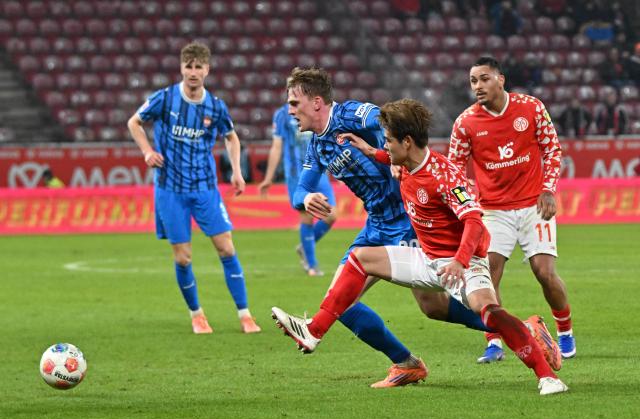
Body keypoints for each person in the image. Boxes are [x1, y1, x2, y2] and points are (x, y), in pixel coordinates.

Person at [272, 98, 567, 395]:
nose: (384, 146)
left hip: (461, 262)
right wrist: (367, 150)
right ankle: (314, 331)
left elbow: (475, 220)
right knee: (361, 259)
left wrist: (460, 261)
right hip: (426, 260)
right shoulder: (405, 164)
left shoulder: (443, 175)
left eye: (388, 141)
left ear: (407, 142)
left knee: (488, 311)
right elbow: (389, 157)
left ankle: (546, 375)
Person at [127, 42, 260, 335]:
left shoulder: (215, 106)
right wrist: (147, 151)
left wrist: (237, 172)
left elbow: (232, 138)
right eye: (189, 66)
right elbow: (134, 122)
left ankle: (245, 314)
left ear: (207, 70)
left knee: (226, 247)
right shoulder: (164, 99)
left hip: (205, 189)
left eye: (199, 67)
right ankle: (197, 314)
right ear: (181, 68)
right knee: (183, 256)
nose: (193, 72)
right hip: (170, 189)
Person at [448, 56, 576, 362]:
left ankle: (565, 332)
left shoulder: (530, 107)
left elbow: (552, 149)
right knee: (488, 276)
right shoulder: (466, 122)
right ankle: (494, 342)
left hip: (533, 205)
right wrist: (467, 205)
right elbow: (454, 170)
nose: (477, 86)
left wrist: (547, 189)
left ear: (500, 79)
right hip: (492, 211)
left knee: (544, 272)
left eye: (484, 79)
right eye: (473, 81)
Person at [258, 96, 337, 276]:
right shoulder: (282, 115)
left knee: (332, 215)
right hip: (296, 174)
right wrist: (269, 178)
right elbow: (277, 147)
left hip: (319, 171)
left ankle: (304, 247)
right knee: (307, 217)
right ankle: (311, 264)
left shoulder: (316, 111)